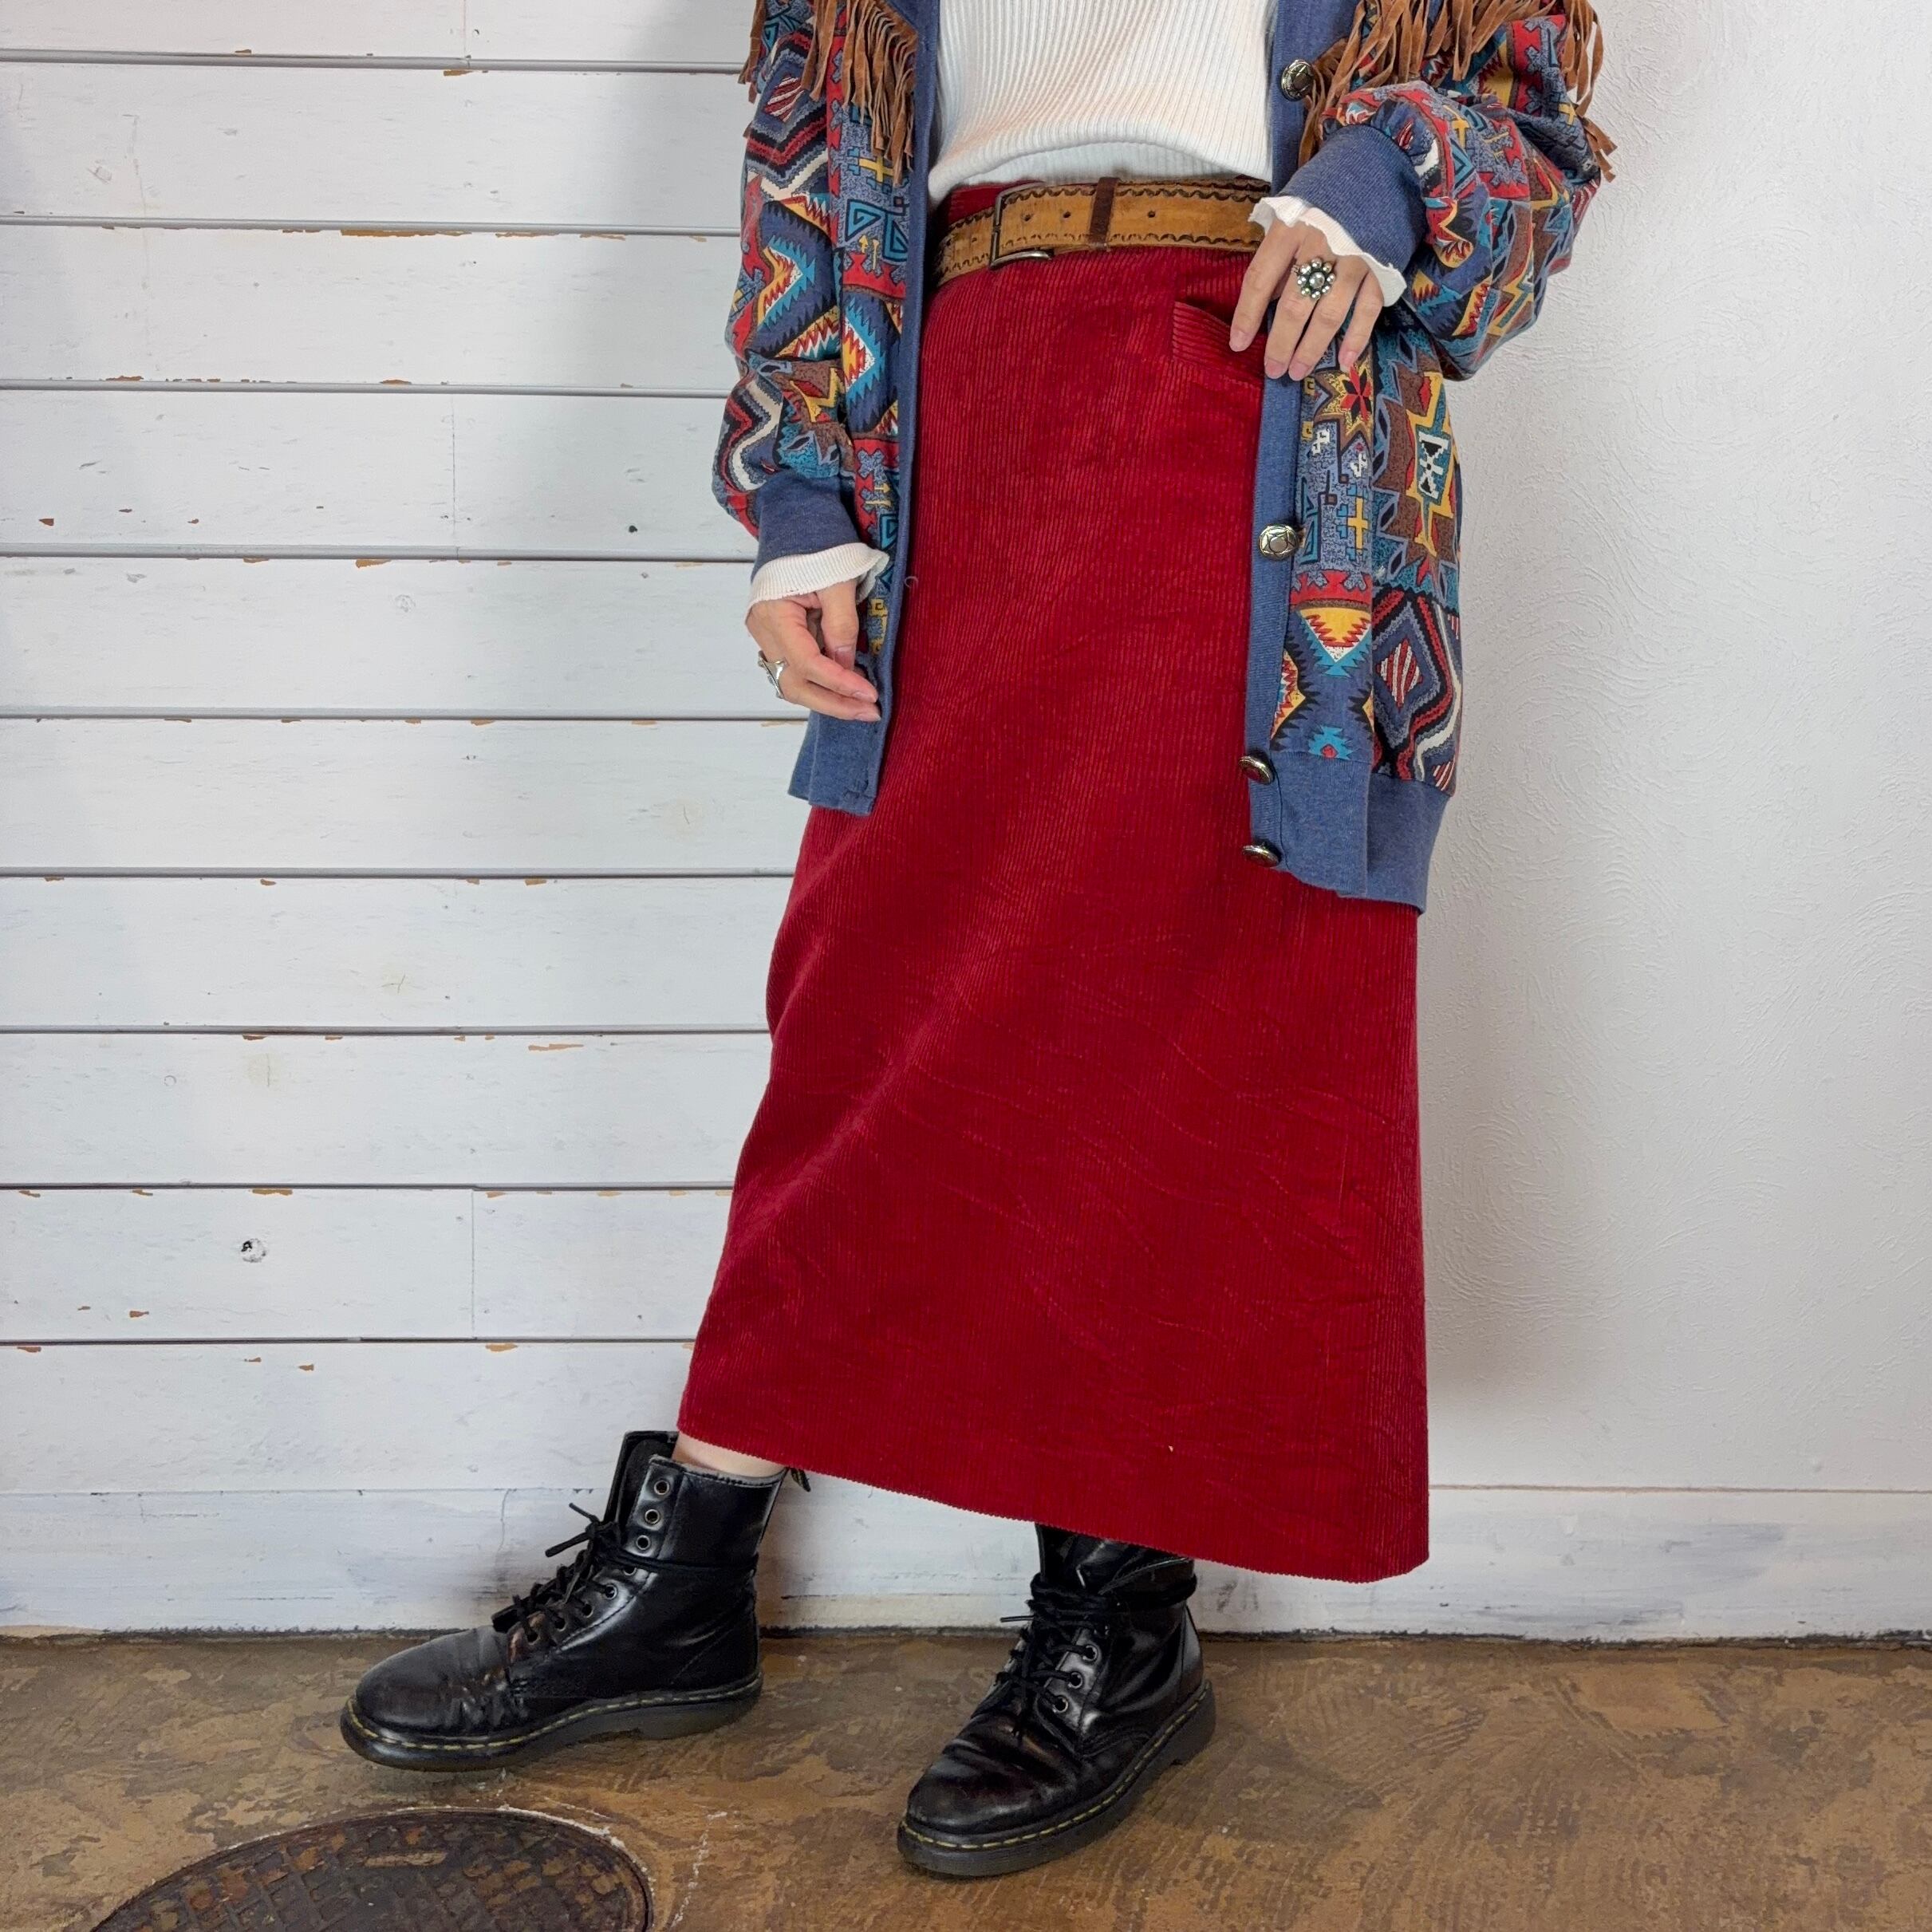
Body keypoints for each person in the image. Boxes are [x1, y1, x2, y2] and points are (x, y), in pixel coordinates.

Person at [341, 0, 1612, 1879]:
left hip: (1258, 398)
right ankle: (692, 1565)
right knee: (869, 1000)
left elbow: (1533, 115)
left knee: (1181, 1009)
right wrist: (797, 496)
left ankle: (1113, 1610)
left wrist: (1381, 176)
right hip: (952, 405)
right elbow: (808, 145)